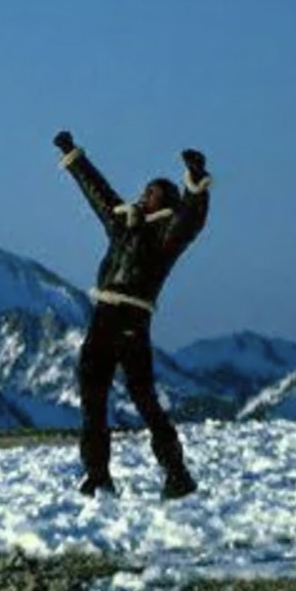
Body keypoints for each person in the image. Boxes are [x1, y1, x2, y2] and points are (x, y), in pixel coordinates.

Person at [53, 130, 211, 500]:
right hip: (102, 316)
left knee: (143, 399)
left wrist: (195, 182)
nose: (143, 196)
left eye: (152, 193)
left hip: (131, 321)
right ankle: (97, 477)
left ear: (165, 202)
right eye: (144, 191)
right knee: (92, 397)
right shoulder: (122, 224)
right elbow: (98, 192)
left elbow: (192, 219)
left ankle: (177, 473)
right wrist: (72, 155)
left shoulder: (169, 233)